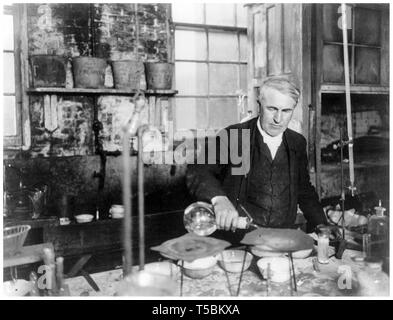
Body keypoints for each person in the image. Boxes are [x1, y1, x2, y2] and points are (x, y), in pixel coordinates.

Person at [186, 77, 327, 236]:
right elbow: (199, 170)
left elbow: (304, 189)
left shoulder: (296, 142)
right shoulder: (236, 137)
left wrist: (320, 222)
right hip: (237, 240)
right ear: (259, 106)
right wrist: (218, 199)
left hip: (280, 238)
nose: (278, 119)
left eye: (286, 111)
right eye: (272, 109)